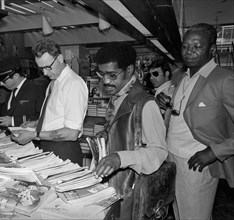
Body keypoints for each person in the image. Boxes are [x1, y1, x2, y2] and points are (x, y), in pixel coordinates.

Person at [157, 23, 234, 220]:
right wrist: (167, 104)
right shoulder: (183, 76)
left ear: (212, 49)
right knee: (179, 212)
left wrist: (215, 151)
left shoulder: (224, 79)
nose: (189, 51)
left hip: (196, 162)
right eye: (185, 46)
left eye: (197, 46)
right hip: (171, 156)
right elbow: (183, 111)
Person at [92, 42, 168, 219]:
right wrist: (107, 136)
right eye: (101, 74)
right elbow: (126, 131)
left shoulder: (145, 104)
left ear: (129, 70)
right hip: (113, 187)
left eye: (112, 75)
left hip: (131, 191)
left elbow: (159, 152)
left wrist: (121, 158)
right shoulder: (116, 97)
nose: (105, 81)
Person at [10, 39, 88, 166]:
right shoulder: (54, 81)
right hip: (48, 146)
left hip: (64, 151)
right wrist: (37, 123)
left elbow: (72, 133)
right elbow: (57, 116)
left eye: (48, 67)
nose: (45, 73)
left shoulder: (73, 84)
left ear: (60, 58)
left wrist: (33, 135)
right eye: (41, 69)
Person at [0, 56, 46, 127]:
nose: (1, 84)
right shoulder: (12, 90)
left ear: (16, 76)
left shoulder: (37, 89)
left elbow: (42, 116)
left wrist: (13, 121)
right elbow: (8, 109)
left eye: (4, 81)